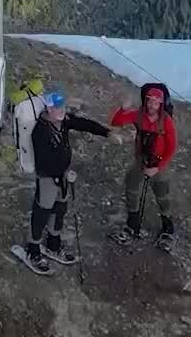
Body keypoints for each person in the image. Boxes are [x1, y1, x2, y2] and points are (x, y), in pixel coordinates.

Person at [11, 90, 110, 275]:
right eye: (58, 108)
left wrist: (106, 132)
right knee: (42, 212)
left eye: (63, 106)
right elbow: (45, 160)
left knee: (59, 210)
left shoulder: (63, 121)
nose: (62, 110)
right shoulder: (40, 130)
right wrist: (64, 173)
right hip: (49, 177)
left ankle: (53, 246)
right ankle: (33, 252)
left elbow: (83, 123)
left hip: (63, 177)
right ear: (49, 109)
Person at [109, 81, 178, 250]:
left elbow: (171, 147)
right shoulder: (138, 115)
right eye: (149, 101)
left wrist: (157, 168)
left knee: (162, 194)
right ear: (146, 101)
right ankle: (133, 222)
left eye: (156, 102)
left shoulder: (166, 121)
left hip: (158, 162)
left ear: (161, 104)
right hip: (141, 160)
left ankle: (168, 226)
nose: (152, 105)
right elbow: (116, 122)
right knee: (131, 186)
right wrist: (123, 109)